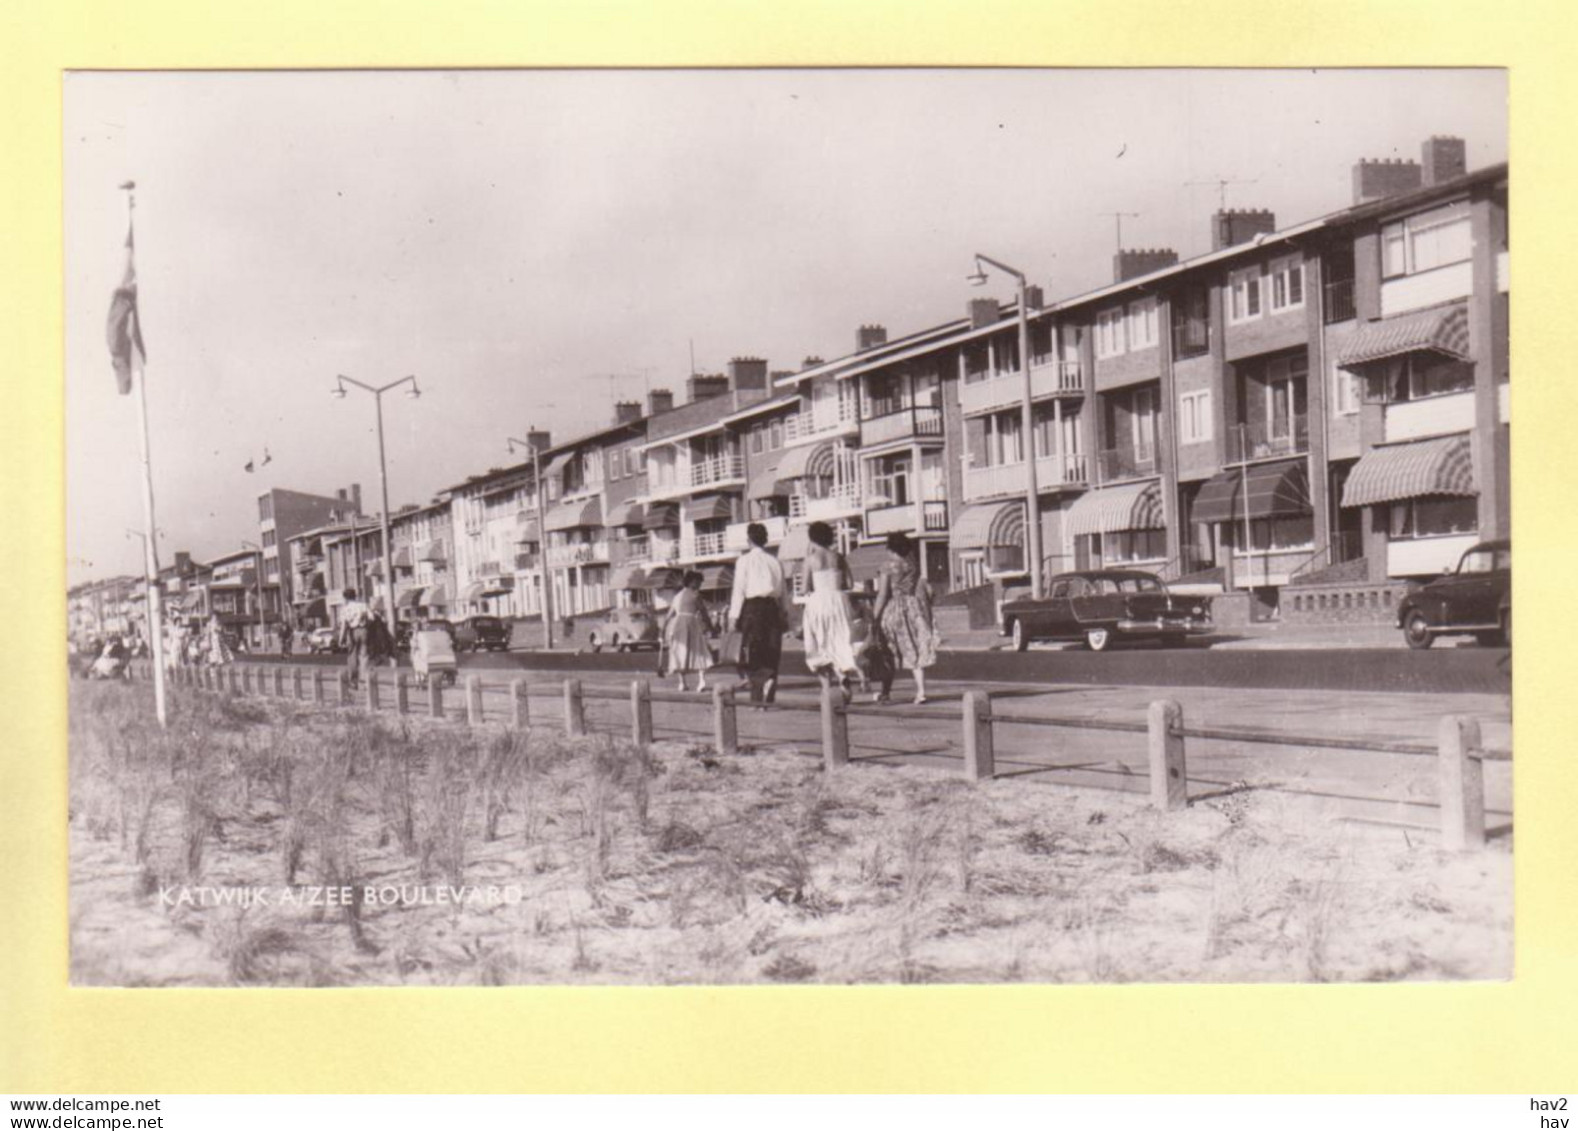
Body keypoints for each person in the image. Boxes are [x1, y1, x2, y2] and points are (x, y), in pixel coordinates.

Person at [872, 531, 940, 705]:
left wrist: (875, 617)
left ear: (890, 548)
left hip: (895, 609)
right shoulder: (912, 565)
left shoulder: (887, 566)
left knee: (887, 649)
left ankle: (885, 691)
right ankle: (921, 691)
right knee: (914, 648)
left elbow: (883, 594)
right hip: (913, 607)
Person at [728, 521, 790, 707]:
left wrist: (733, 617)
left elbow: (739, 590)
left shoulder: (744, 561)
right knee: (772, 649)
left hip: (752, 608)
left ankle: (757, 697)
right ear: (765, 540)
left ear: (749, 540)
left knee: (752, 651)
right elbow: (783, 591)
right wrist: (784, 614)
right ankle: (770, 681)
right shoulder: (774, 561)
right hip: (772, 607)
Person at [799, 520, 860, 702]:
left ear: (812, 538)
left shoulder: (810, 559)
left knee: (818, 642)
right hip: (839, 600)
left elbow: (804, 588)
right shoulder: (839, 557)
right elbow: (849, 583)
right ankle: (842, 675)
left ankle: (826, 688)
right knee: (839, 640)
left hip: (819, 602)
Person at [662, 570, 714, 693]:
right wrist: (711, 627)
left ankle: (682, 683)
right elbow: (704, 612)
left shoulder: (677, 596)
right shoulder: (695, 595)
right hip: (691, 623)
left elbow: (669, 615)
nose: (700, 584)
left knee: (679, 651)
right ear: (691, 582)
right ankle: (701, 680)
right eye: (698, 582)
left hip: (678, 624)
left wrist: (663, 628)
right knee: (699, 650)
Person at [339, 587, 371, 687]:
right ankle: (365, 681)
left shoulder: (345, 609)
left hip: (352, 632)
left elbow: (344, 625)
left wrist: (341, 639)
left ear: (345, 598)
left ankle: (353, 681)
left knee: (352, 656)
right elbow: (372, 617)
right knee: (364, 656)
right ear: (355, 596)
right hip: (364, 630)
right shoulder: (363, 605)